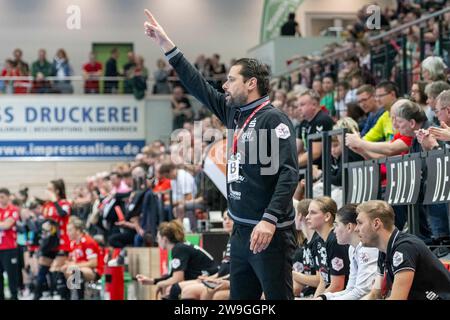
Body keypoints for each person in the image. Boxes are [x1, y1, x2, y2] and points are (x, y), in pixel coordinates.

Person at [144, 9, 299, 300]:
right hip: (241, 232)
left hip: (269, 233)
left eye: (231, 79)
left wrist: (269, 219)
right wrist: (167, 45)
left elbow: (289, 174)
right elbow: (198, 86)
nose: (224, 86)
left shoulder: (273, 119)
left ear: (251, 83)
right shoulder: (234, 114)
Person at [357, 200, 450, 300]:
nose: (356, 229)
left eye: (360, 223)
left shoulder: (404, 248)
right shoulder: (384, 249)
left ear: (376, 223)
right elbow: (375, 294)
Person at [136, 220, 217, 300]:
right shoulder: (180, 247)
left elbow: (178, 279)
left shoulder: (179, 249)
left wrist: (160, 284)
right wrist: (152, 281)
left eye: (158, 238)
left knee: (174, 289)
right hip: (206, 277)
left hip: (211, 278)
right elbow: (172, 277)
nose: (157, 241)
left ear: (164, 239)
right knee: (171, 289)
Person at [315, 204, 378, 300]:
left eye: (336, 225)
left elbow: (361, 292)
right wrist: (324, 297)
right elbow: (350, 289)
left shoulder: (368, 250)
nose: (334, 231)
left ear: (349, 227)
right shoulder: (352, 248)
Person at [179, 210, 233, 300]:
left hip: (231, 281)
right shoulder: (230, 240)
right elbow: (224, 270)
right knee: (185, 290)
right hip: (222, 278)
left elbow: (234, 271)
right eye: (224, 219)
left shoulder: (239, 241)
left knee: (199, 292)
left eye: (230, 219)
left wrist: (216, 279)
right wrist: (210, 278)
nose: (227, 221)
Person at [305, 197, 350, 297]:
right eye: (308, 212)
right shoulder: (318, 241)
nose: (307, 217)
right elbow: (323, 281)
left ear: (327, 216)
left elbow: (338, 286)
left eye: (313, 212)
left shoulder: (335, 240)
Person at [35, 179, 72, 299]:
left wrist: (55, 200)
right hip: (49, 242)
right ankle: (37, 295)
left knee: (60, 270)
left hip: (62, 242)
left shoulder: (64, 203)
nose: (47, 191)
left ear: (57, 190)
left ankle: (66, 295)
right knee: (42, 269)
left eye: (50, 189)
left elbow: (63, 214)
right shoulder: (47, 205)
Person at [61, 217, 104, 300]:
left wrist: (75, 265)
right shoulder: (74, 243)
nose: (67, 233)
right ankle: (66, 296)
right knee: (65, 269)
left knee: (76, 270)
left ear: (78, 231)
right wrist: (69, 264)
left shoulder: (88, 241)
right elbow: (75, 260)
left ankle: (79, 297)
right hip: (83, 268)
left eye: (70, 230)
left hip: (96, 271)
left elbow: (93, 263)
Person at [292, 199, 321, 298]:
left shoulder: (318, 242)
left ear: (299, 216)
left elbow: (321, 280)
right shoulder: (305, 244)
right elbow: (297, 287)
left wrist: (292, 274)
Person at [0, 188, 20, 300]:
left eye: (2, 197)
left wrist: (3, 224)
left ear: (8, 197)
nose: (0, 199)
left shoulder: (13, 210)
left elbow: (6, 225)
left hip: (9, 248)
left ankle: (14, 296)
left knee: (11, 275)